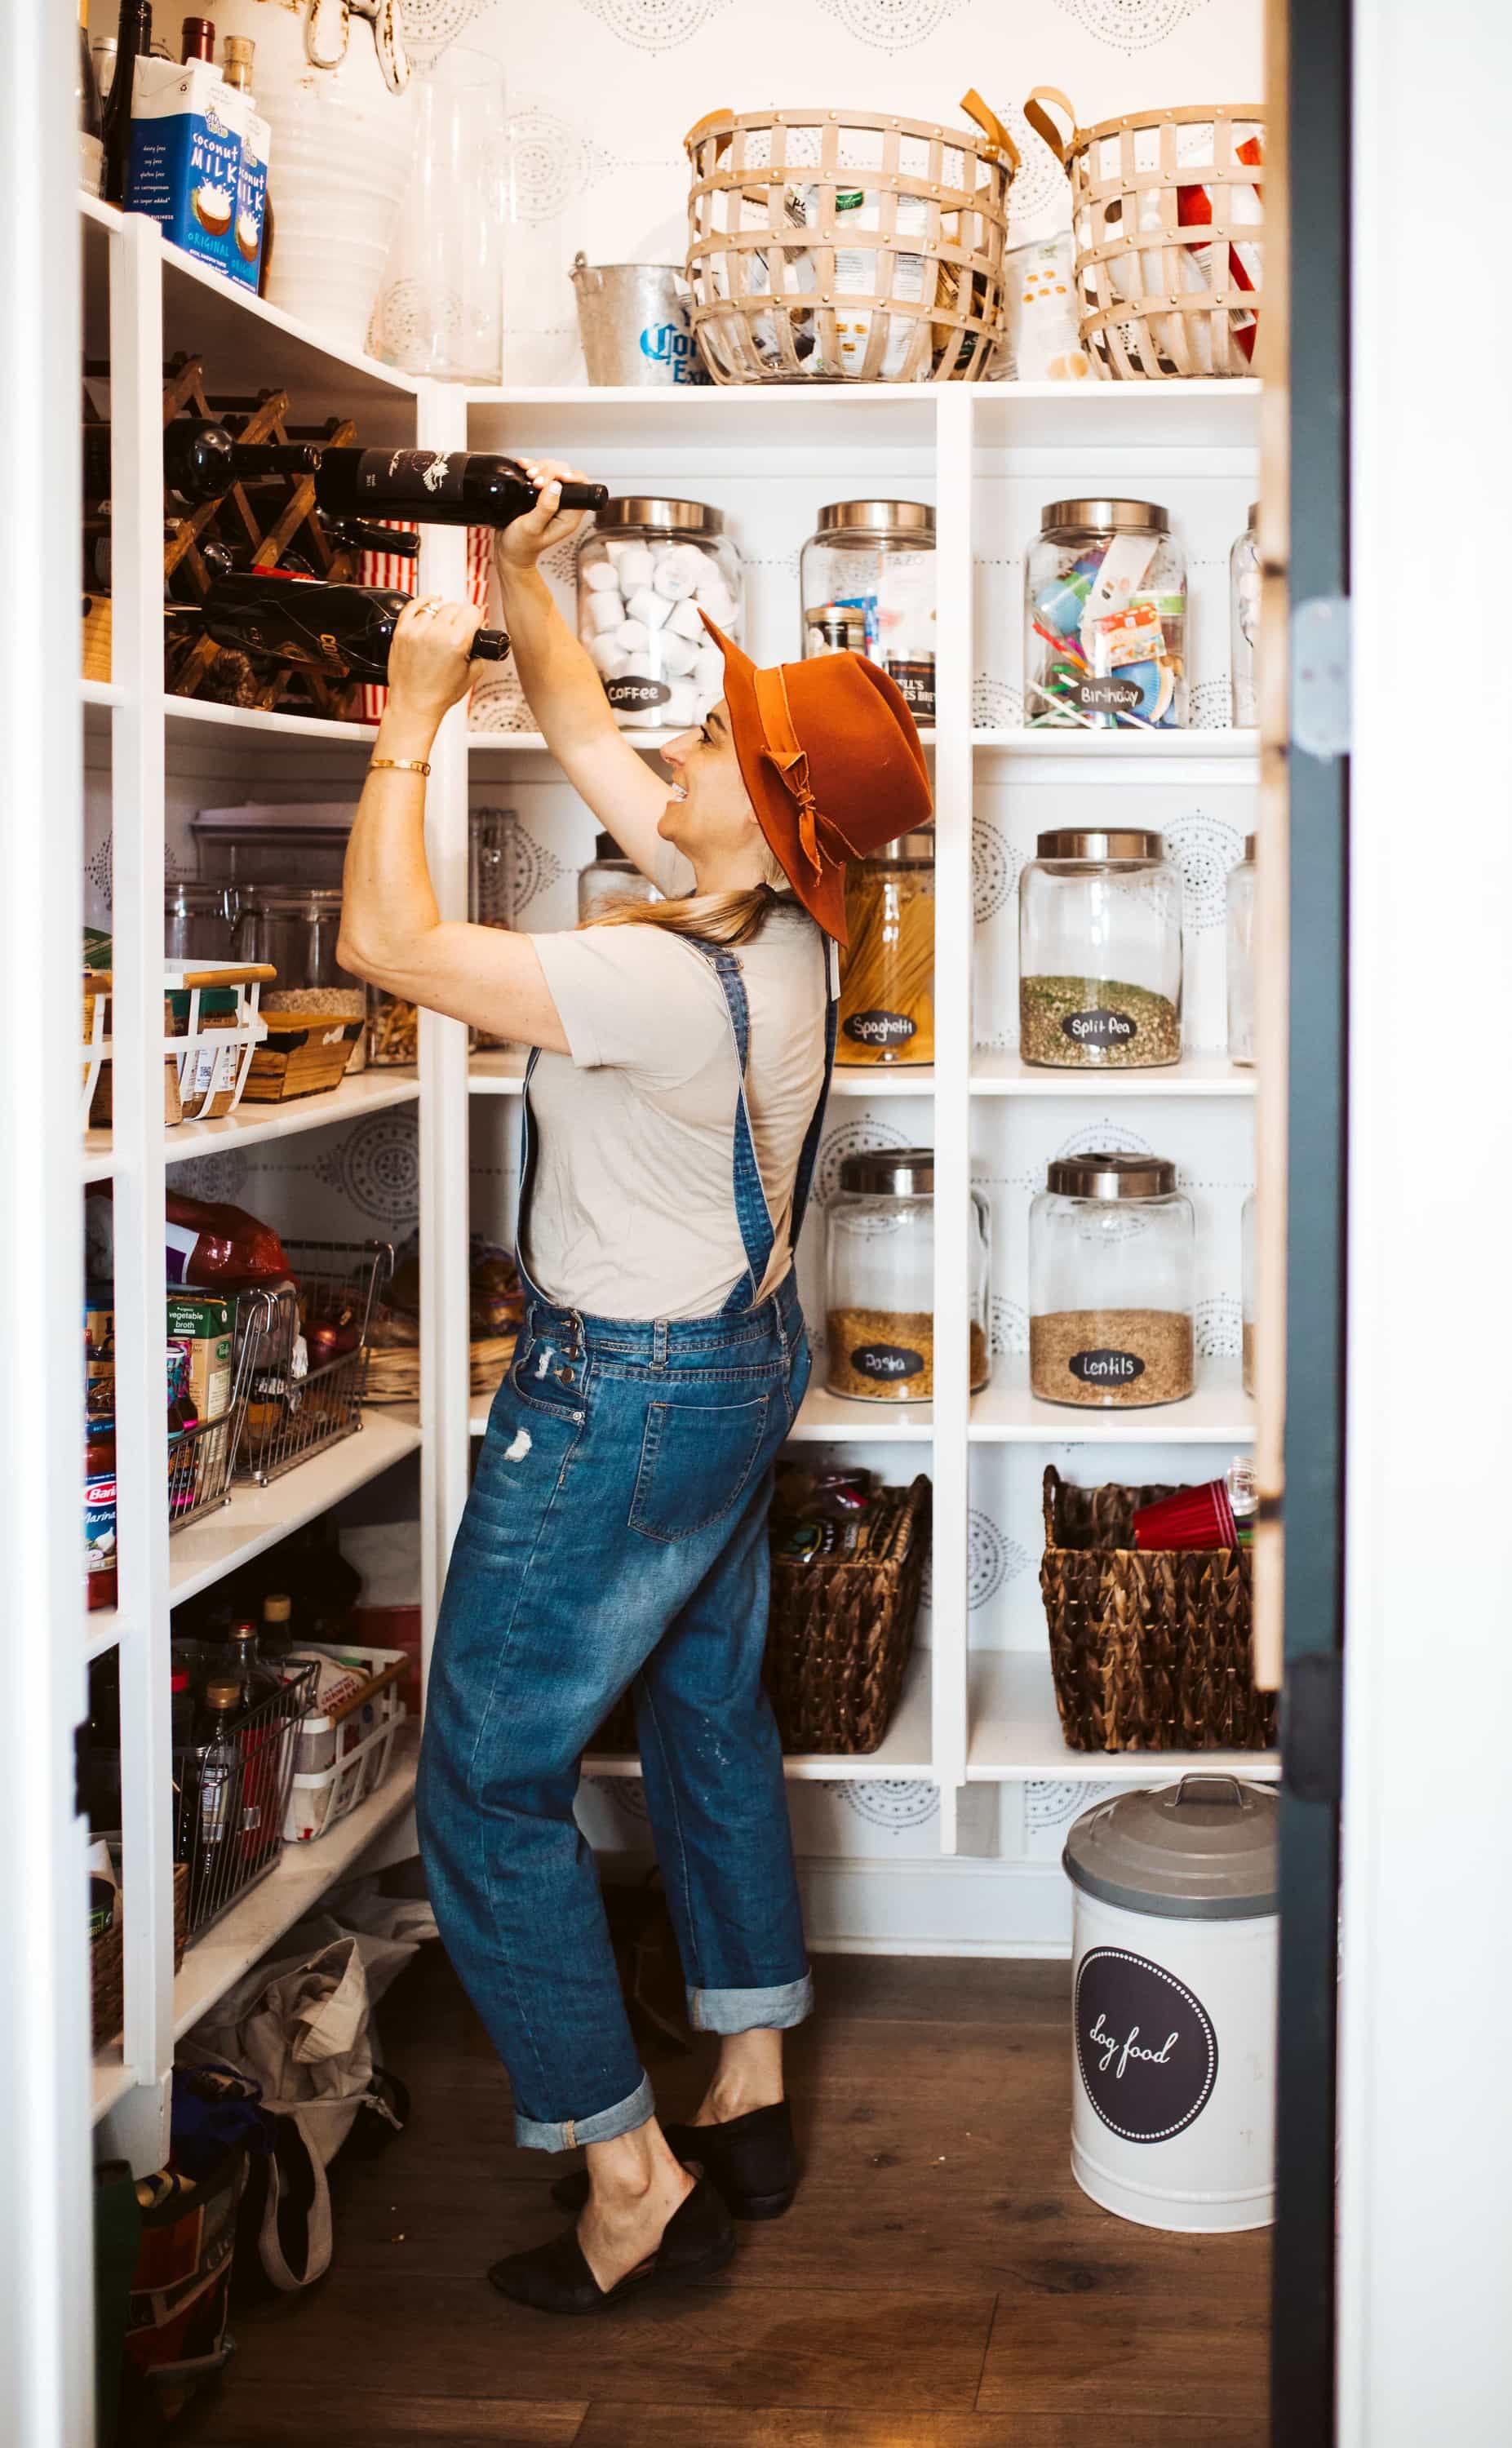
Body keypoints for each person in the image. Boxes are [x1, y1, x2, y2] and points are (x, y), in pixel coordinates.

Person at [337, 463, 933, 2316]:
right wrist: (532, 582)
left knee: (490, 1791)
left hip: (621, 1396)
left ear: (754, 816)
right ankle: (747, 2063)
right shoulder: (784, 931)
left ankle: (625, 2173)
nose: (671, 753)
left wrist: (412, 730)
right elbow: (591, 720)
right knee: (705, 1709)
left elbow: (382, 948)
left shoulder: (657, 980)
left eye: (712, 751)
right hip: (742, 1369)